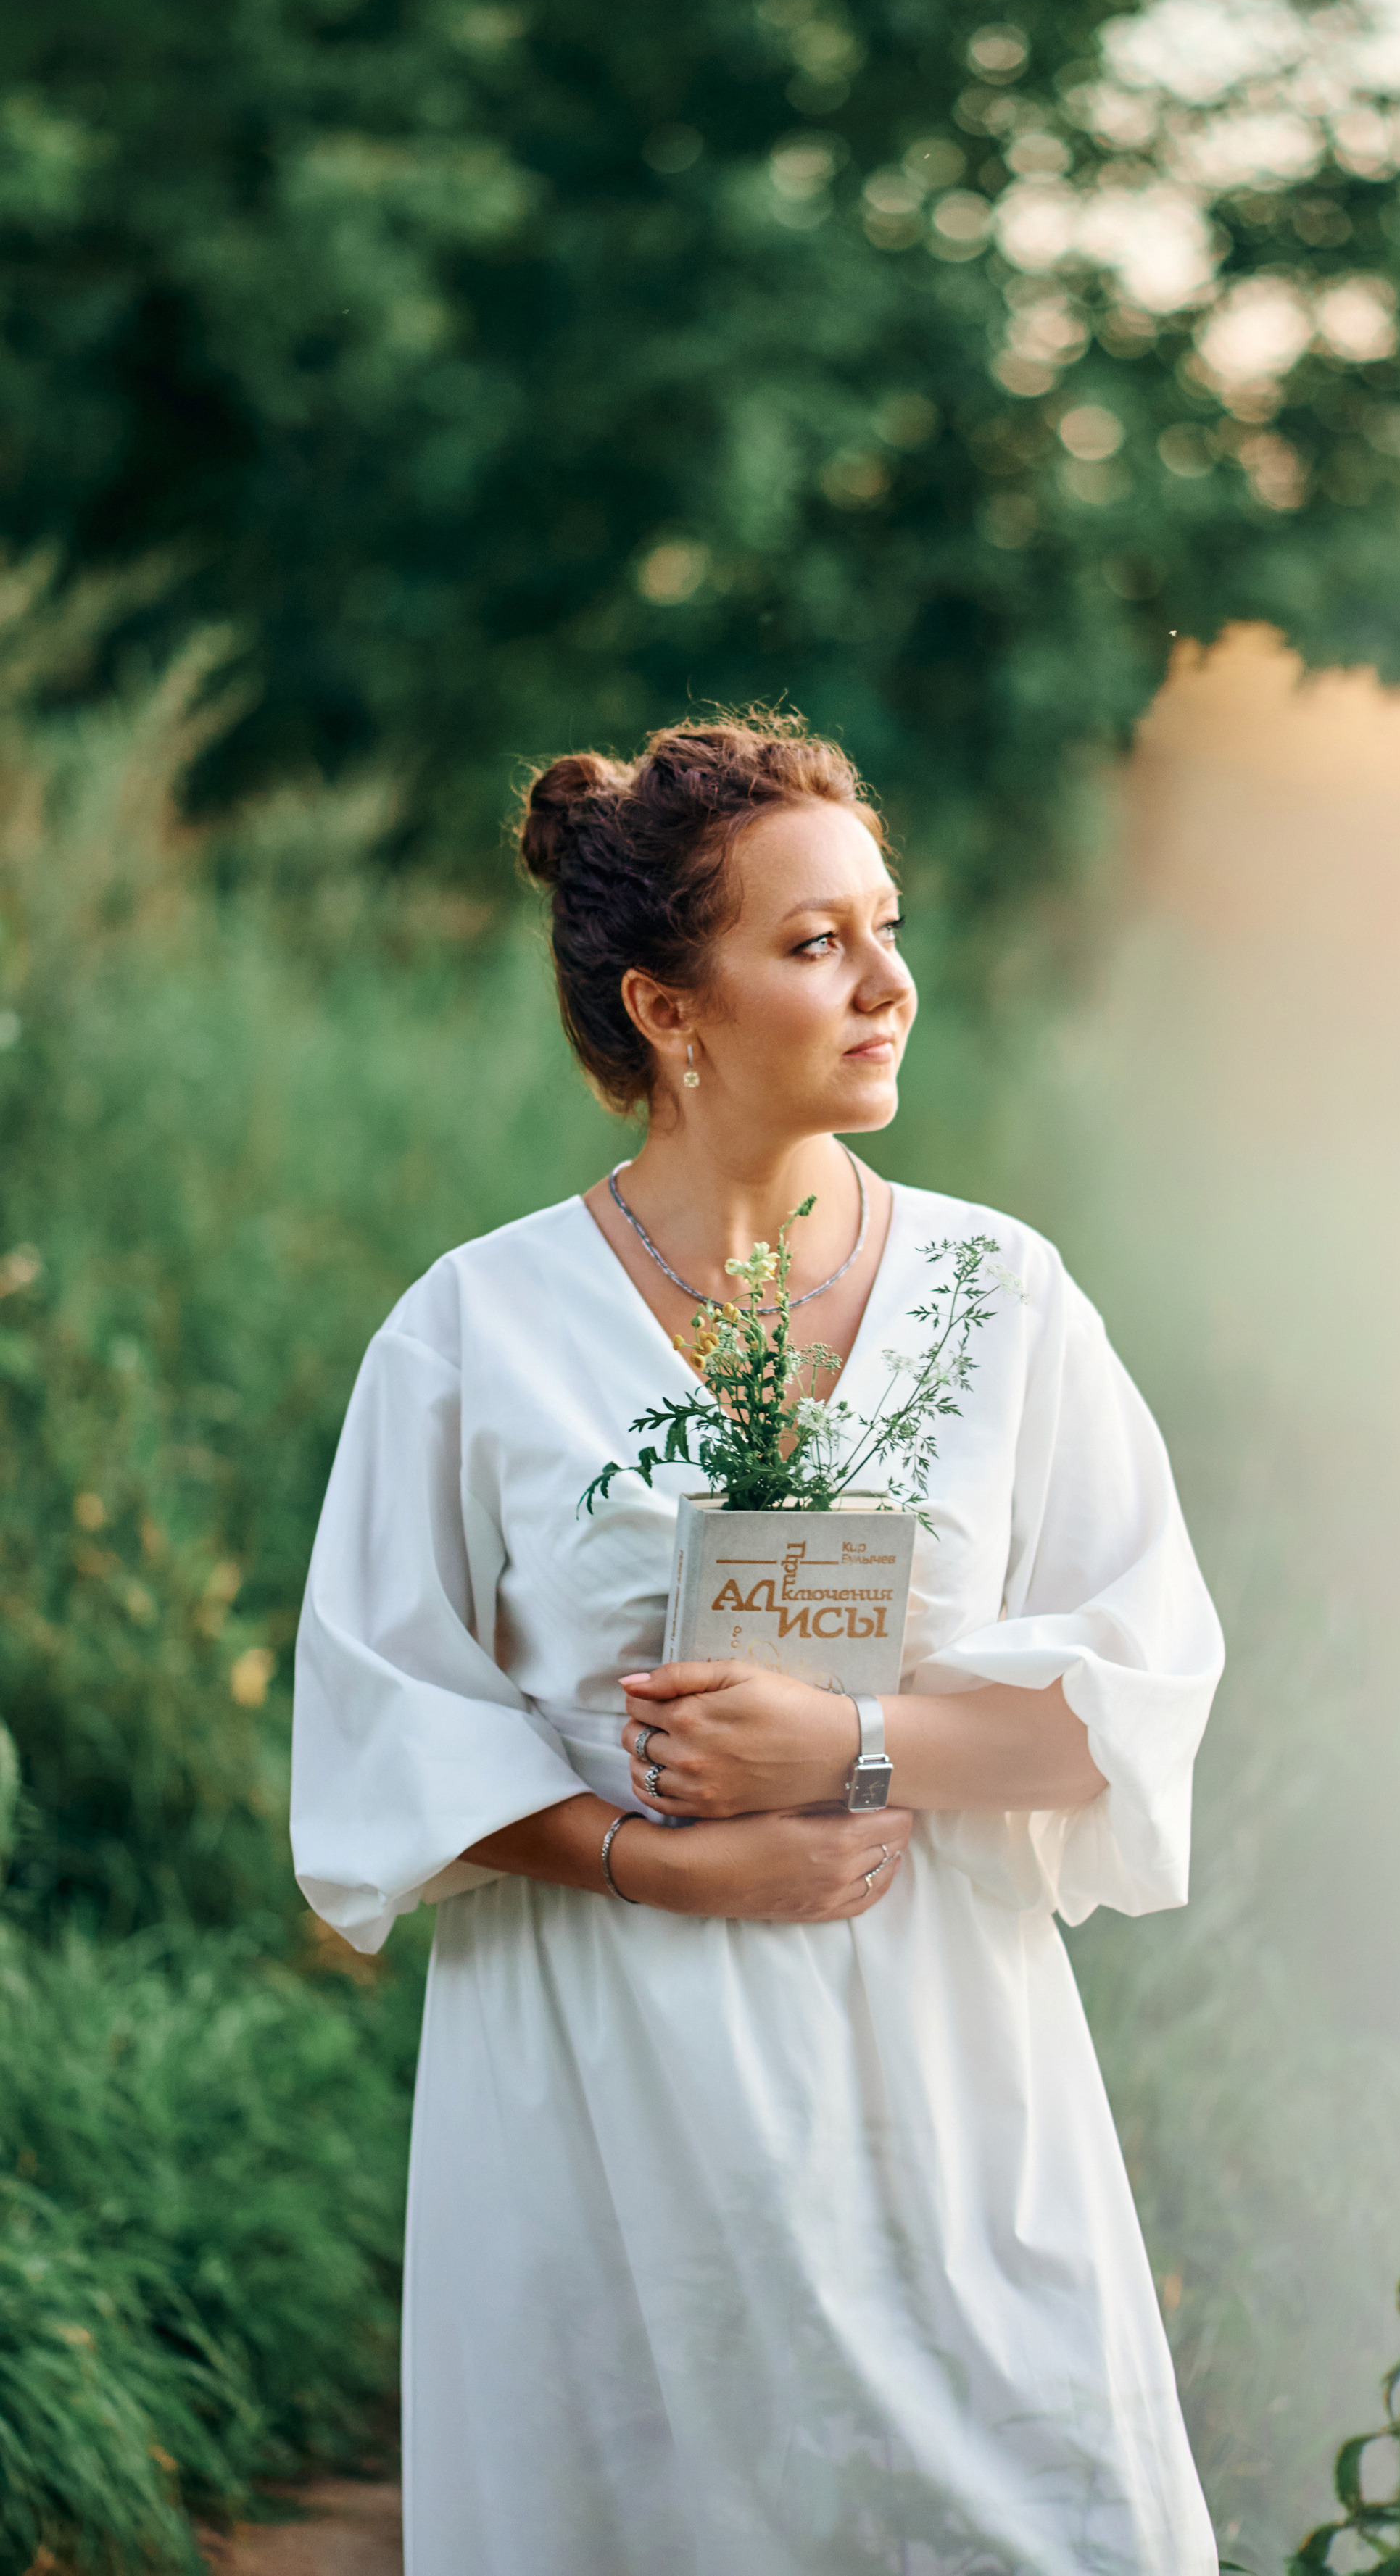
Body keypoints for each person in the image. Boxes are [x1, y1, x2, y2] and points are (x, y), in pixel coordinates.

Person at [290, 711, 1225, 2576]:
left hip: (946, 2084)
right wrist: (654, 1861)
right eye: (814, 945)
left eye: (883, 926)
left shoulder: (1003, 1299)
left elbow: (1133, 1702)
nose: (886, 984)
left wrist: (848, 1750)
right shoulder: (477, 1332)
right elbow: (386, 1741)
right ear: (665, 1008)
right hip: (604, 2087)